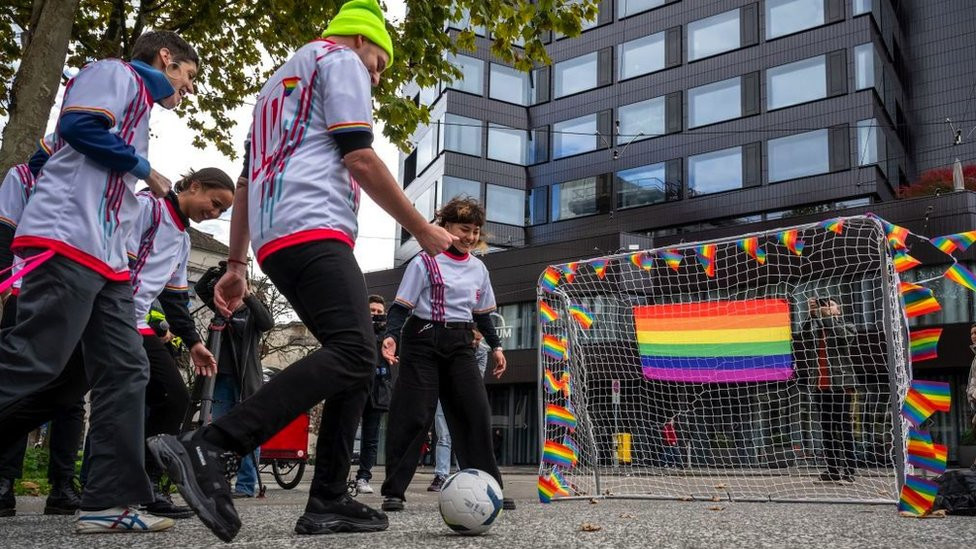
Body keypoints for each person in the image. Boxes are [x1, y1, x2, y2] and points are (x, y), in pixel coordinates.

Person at [146, 0, 456, 541]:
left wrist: (237, 262)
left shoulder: (276, 88)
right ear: (361, 40)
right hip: (314, 225)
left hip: (275, 236)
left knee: (353, 355)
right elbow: (359, 157)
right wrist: (423, 230)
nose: (376, 78)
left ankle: (328, 499)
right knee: (359, 352)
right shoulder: (340, 61)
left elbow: (244, 183)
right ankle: (212, 447)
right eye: (379, 64)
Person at [0, 30, 198, 534]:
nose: (190, 89)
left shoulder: (140, 108)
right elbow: (78, 126)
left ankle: (108, 502)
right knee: (35, 357)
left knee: (128, 370)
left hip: (107, 258)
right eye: (189, 76)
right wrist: (142, 169)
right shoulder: (116, 73)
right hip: (68, 238)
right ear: (166, 58)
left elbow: (50, 155)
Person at [380, 196, 513, 512]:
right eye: (463, 229)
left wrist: (496, 347)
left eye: (475, 231)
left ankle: (489, 485)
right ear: (446, 227)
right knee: (414, 414)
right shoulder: (424, 261)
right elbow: (401, 307)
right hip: (423, 340)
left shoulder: (479, 268)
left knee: (475, 412)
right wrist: (390, 337)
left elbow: (482, 315)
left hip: (460, 342)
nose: (470, 236)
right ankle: (394, 491)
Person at [129, 170, 231, 516]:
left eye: (221, 212)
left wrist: (193, 342)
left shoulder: (183, 239)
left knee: (173, 395)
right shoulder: (148, 208)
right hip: (108, 315)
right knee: (62, 394)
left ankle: (147, 484)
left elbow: (175, 299)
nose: (214, 213)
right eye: (214, 203)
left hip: (139, 323)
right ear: (193, 185)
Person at [0, 164, 83, 517]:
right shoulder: (24, 175)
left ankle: (63, 484)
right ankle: (4, 479)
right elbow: (5, 230)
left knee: (71, 394)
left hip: (76, 293)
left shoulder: (95, 181)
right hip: (25, 289)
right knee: (22, 383)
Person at [199, 273, 274, 498]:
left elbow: (267, 323)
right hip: (220, 379)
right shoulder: (220, 306)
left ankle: (245, 485)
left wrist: (247, 294)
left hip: (246, 380)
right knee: (222, 430)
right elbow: (201, 287)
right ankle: (220, 482)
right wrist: (221, 271)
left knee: (248, 433)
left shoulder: (251, 311)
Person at [800, 297, 858, 484]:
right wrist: (811, 316)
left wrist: (824, 316)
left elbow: (842, 335)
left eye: (830, 305)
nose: (826, 308)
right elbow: (804, 336)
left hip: (840, 384)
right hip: (820, 385)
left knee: (843, 427)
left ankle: (849, 470)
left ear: (838, 310)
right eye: (824, 305)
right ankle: (832, 469)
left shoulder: (847, 325)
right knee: (826, 429)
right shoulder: (817, 327)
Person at [428, 329, 489, 492]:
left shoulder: (482, 351)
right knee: (444, 437)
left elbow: (478, 376)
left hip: (466, 396)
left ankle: (464, 474)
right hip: (445, 393)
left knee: (465, 436)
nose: (475, 342)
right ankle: (441, 475)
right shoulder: (451, 345)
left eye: (478, 338)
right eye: (473, 338)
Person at [354, 295, 395, 495]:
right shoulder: (357, 330)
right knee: (345, 433)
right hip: (356, 387)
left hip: (378, 390)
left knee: (371, 439)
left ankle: (363, 477)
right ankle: (339, 476)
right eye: (372, 311)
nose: (376, 315)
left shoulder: (389, 336)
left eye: (379, 312)